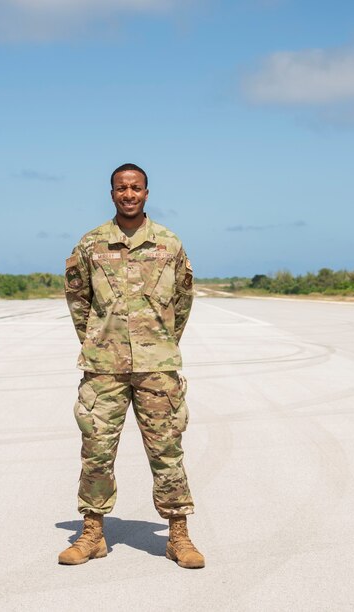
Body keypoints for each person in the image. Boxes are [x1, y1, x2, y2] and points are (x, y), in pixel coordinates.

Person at [59, 162, 205, 569]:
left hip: (157, 366)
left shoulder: (169, 243)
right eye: (121, 188)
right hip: (103, 367)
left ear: (146, 192)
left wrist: (160, 342)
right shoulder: (91, 244)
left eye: (136, 188)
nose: (129, 194)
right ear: (112, 194)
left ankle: (178, 535)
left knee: (168, 450)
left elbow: (183, 300)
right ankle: (92, 534)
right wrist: (98, 341)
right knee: (96, 450)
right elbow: (77, 299)